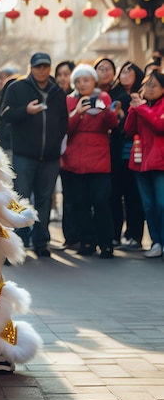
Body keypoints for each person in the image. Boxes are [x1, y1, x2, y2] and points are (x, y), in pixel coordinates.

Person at [0, 52, 68, 257]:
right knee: (21, 199)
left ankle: (41, 241)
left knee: (45, 200)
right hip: (24, 155)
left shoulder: (58, 92)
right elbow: (4, 115)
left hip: (50, 158)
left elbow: (64, 121)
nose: (42, 70)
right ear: (31, 67)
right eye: (38, 66)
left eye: (45, 66)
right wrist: (25, 111)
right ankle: (19, 242)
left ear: (50, 68)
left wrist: (56, 143)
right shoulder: (17, 88)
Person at [61, 64, 120, 259]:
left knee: (102, 201)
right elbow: (65, 128)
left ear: (94, 81)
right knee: (80, 203)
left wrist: (106, 112)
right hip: (74, 159)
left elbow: (113, 124)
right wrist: (77, 112)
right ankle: (87, 241)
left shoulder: (104, 97)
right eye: (78, 81)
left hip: (99, 159)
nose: (82, 84)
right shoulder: (70, 100)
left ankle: (106, 243)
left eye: (86, 80)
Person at [124, 70, 164, 258]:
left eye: (153, 85)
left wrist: (141, 108)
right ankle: (156, 242)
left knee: (162, 204)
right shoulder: (140, 105)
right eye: (146, 84)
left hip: (160, 163)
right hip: (140, 162)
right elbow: (129, 129)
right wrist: (133, 109)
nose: (148, 89)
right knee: (148, 205)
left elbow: (159, 125)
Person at [108, 61, 145, 249]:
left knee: (133, 196)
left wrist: (123, 116)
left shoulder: (143, 96)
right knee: (115, 194)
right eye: (122, 71)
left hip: (137, 154)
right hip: (116, 153)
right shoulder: (113, 96)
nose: (124, 74)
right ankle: (114, 234)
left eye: (129, 71)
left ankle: (134, 236)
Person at [53, 60, 76, 243]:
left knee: (72, 197)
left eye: (66, 74)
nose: (62, 78)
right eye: (59, 74)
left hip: (74, 153)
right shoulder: (53, 96)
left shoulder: (79, 96)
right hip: (55, 153)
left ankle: (75, 236)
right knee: (62, 197)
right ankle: (68, 237)